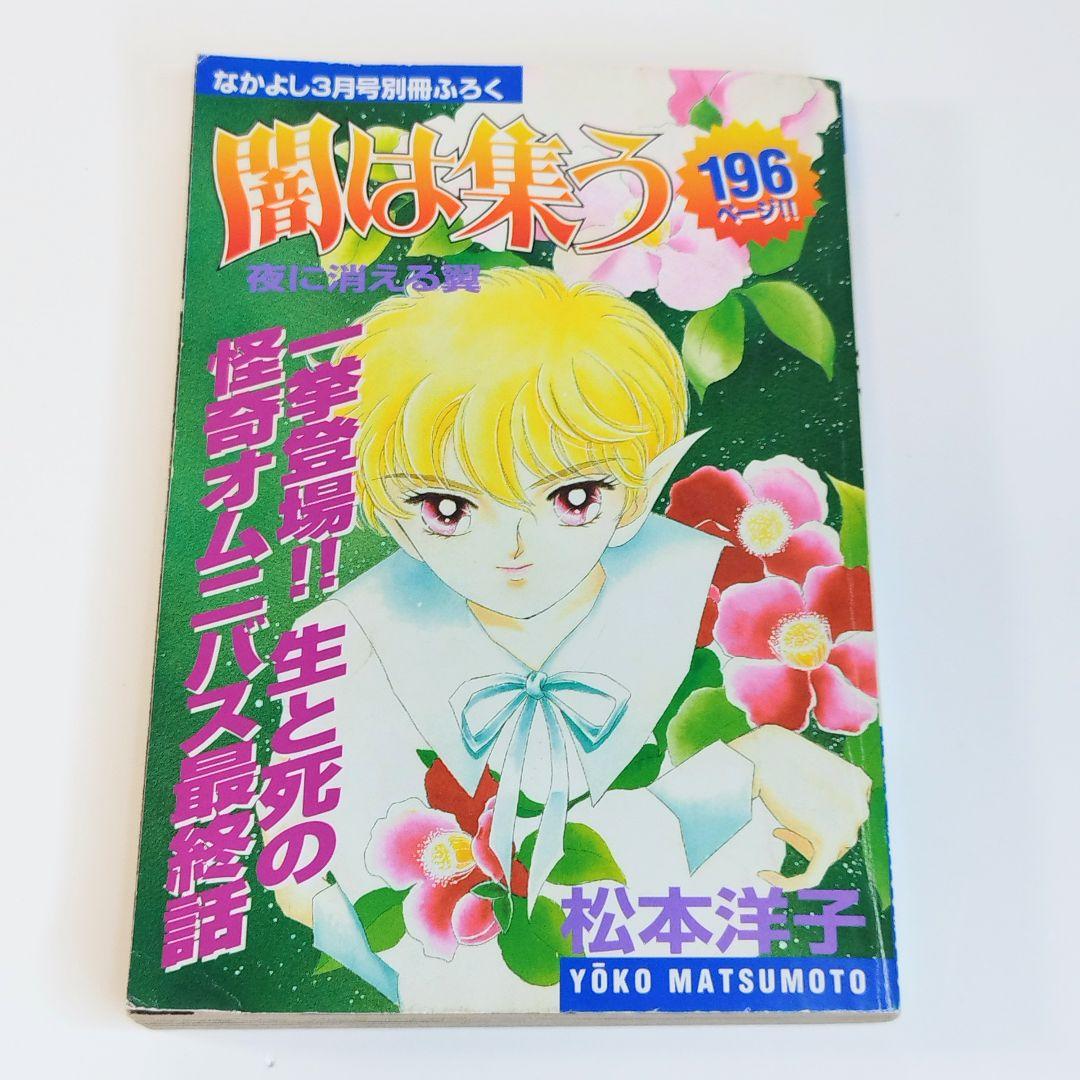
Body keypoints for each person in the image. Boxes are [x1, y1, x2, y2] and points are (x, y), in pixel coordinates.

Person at [265, 267, 870, 1013]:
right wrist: (731, 779)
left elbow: (762, 874)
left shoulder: (726, 598)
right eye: (449, 508)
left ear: (643, 489)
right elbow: (344, 902)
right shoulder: (347, 644)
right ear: (390, 511)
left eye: (573, 496)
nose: (514, 548)